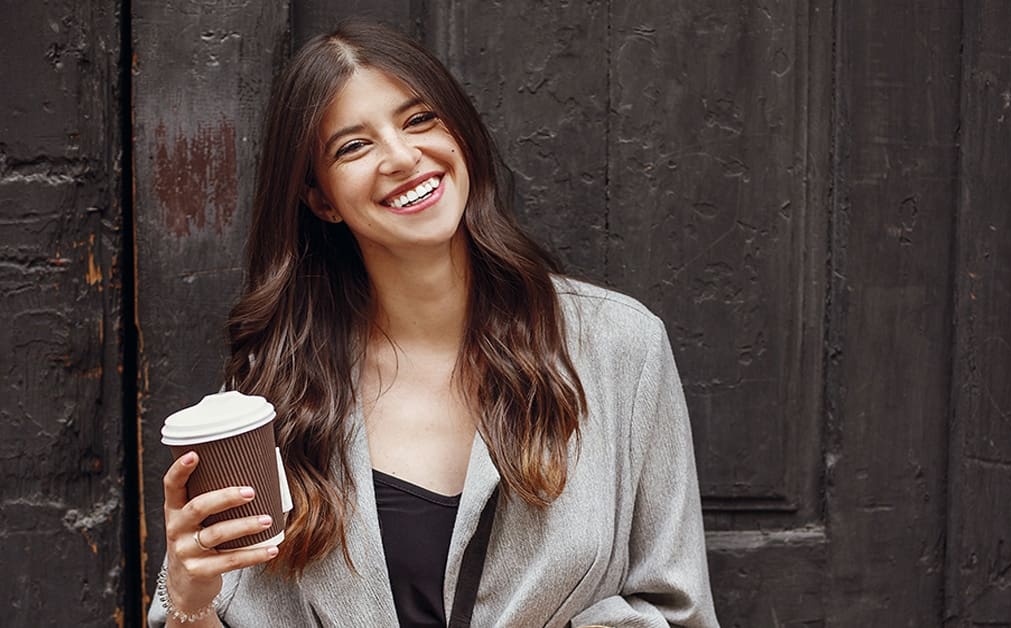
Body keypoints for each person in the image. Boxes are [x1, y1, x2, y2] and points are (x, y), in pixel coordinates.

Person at [149, 18, 717, 628]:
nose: (402, 156)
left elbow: (678, 609)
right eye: (353, 146)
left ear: (460, 134)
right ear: (320, 199)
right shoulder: (275, 393)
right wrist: (187, 597)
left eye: (419, 120)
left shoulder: (618, 348)